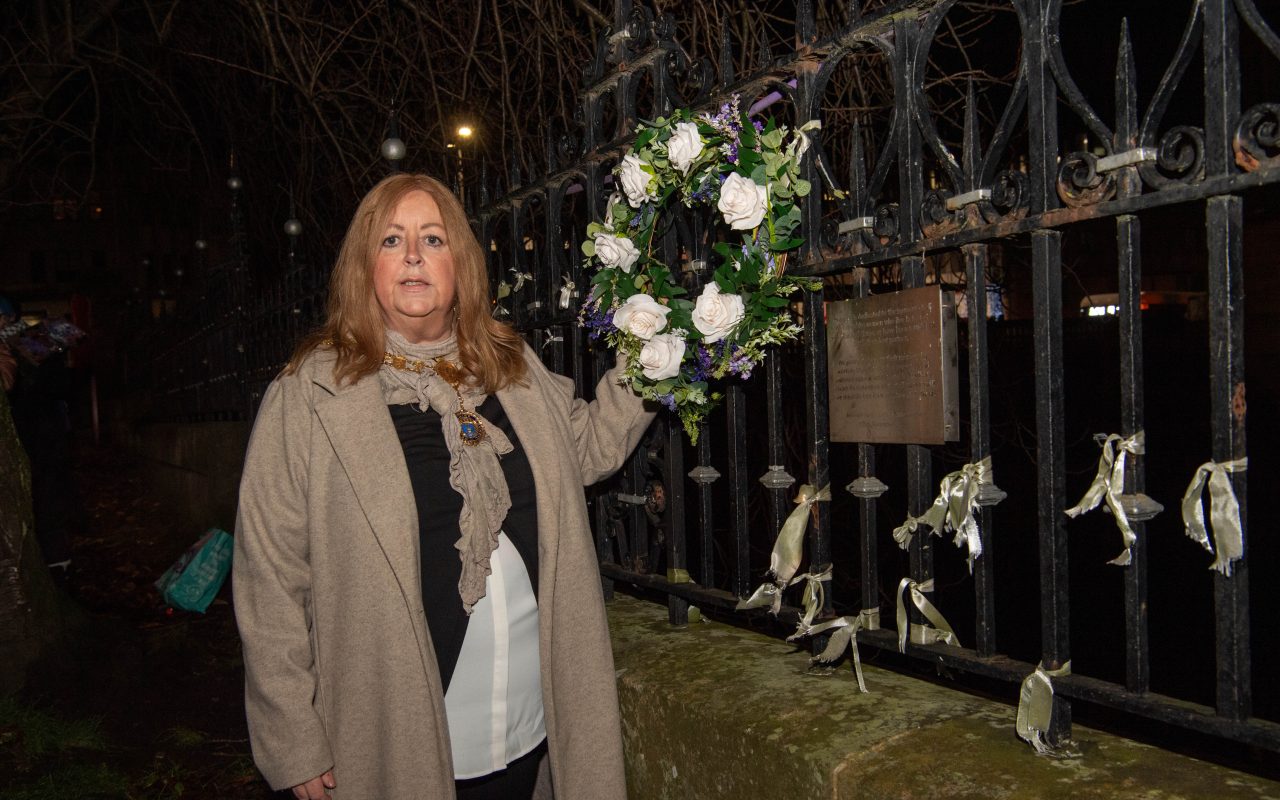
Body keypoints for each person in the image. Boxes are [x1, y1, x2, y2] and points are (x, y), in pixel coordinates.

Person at [233, 173, 652, 800]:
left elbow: (587, 448)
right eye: (391, 240)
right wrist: (292, 735)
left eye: (432, 239)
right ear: (363, 267)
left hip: (527, 723)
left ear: (461, 263)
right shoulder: (310, 394)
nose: (412, 256)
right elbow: (269, 576)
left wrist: (661, 354)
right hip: (395, 733)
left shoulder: (510, 367)